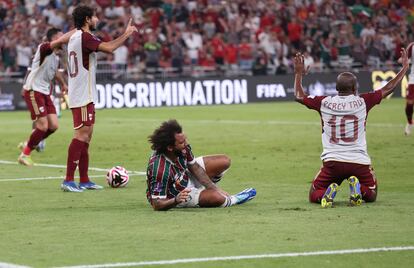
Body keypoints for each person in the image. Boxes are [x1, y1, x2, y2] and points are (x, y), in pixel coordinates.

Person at [293, 49, 409, 208]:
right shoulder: (363, 101)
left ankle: (326, 195)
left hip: (332, 162)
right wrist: (404, 68)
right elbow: (389, 88)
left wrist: (298, 73)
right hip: (359, 162)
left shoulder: (324, 102)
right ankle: (358, 189)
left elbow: (299, 96)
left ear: (336, 88)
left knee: (314, 192)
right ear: (355, 88)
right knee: (372, 193)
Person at [61, 5, 137, 192]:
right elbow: (110, 48)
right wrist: (126, 34)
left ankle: (85, 179)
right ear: (87, 19)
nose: (97, 19)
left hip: (82, 92)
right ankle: (68, 180)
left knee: (87, 137)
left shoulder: (74, 37)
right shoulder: (85, 37)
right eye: (94, 16)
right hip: (82, 94)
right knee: (81, 135)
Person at [146, 119, 256, 211]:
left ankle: (206, 191)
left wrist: (214, 188)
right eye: (182, 142)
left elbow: (194, 166)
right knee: (218, 198)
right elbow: (157, 204)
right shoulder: (159, 169)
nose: (186, 144)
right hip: (177, 194)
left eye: (185, 139)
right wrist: (176, 200)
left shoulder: (182, 148)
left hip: (185, 177)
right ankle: (233, 199)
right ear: (170, 148)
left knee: (224, 161)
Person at [18, 27, 74, 166]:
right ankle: (25, 154)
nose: (64, 40)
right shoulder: (44, 48)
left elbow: (55, 73)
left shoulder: (55, 57)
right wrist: (78, 30)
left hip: (45, 93)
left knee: (53, 126)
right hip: (34, 91)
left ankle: (29, 142)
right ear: (54, 38)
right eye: (60, 37)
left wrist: (63, 84)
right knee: (42, 126)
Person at [404, 42, 414, 135]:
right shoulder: (411, 46)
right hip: (413, 80)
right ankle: (410, 122)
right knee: (409, 103)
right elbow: (405, 58)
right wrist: (402, 59)